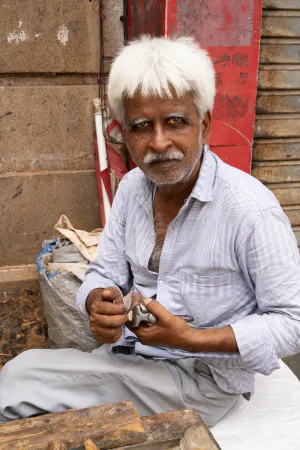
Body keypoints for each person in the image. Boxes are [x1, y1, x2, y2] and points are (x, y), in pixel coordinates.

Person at [0, 36, 299, 427]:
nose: (159, 143)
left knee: (17, 383)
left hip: (203, 381)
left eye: (175, 122)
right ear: (124, 133)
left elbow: (292, 323)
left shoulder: (250, 209)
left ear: (203, 125)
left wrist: (190, 339)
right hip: (132, 357)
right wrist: (97, 302)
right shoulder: (131, 191)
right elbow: (104, 272)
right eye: (142, 126)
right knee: (24, 373)